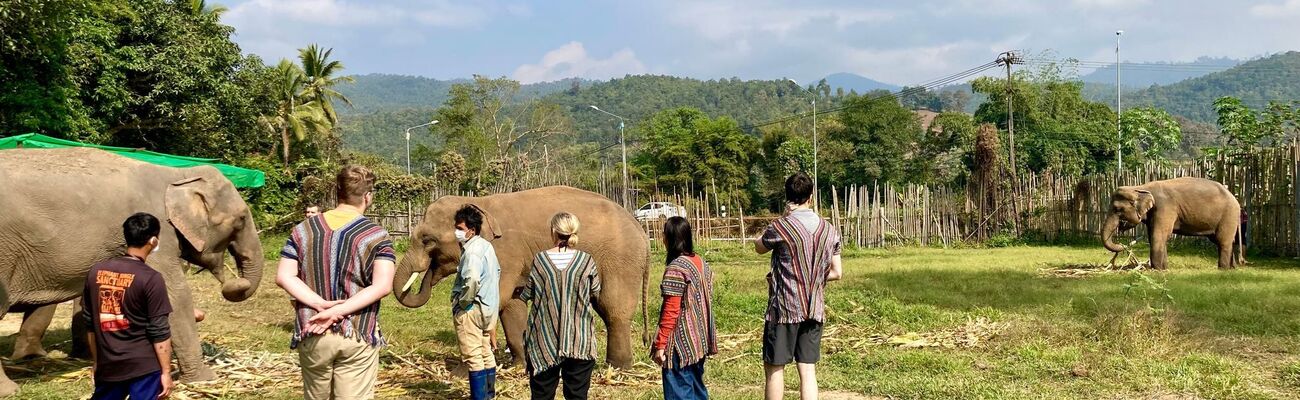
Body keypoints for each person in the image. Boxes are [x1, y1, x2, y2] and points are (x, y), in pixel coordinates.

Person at [276, 165, 396, 400]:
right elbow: (382, 286)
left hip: (313, 329)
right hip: (357, 332)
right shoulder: (376, 235)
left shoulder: (303, 230)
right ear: (368, 196)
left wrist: (321, 305)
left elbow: (284, 276)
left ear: (336, 192)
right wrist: (339, 310)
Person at [754, 173, 844, 400]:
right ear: (811, 197)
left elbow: (759, 247)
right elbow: (837, 272)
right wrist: (812, 279)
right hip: (814, 308)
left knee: (775, 368)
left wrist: (782, 217)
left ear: (787, 196)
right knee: (807, 370)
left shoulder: (781, 227)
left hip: (784, 309)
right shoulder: (829, 230)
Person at [82, 212, 175, 400]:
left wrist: (97, 361)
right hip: (144, 367)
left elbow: (90, 324)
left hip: (109, 365)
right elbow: (159, 331)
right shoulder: (151, 278)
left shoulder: (95, 272)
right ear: (153, 241)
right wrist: (166, 372)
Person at [517, 212, 601, 400]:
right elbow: (595, 291)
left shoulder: (540, 261)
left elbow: (527, 294)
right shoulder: (586, 261)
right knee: (577, 395)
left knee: (542, 395)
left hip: (544, 340)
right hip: (580, 339)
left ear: (553, 231)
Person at [652, 216, 717, 400]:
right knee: (697, 390)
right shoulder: (700, 262)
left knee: (680, 392)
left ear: (669, 239)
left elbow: (671, 310)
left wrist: (661, 344)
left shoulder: (676, 268)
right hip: (698, 341)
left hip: (680, 344)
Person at [451, 205, 502, 399]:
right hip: (488, 308)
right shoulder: (486, 246)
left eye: (461, 229)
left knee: (473, 357)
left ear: (472, 231)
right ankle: (489, 395)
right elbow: (497, 273)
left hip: (472, 308)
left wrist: (464, 302)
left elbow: (471, 279)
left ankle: (479, 397)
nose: (457, 232)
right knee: (485, 351)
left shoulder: (472, 252)